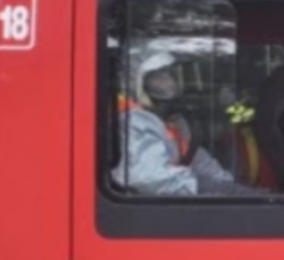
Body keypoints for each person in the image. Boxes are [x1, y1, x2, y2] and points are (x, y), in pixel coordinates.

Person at [112, 50, 264, 197]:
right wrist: (198, 186)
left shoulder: (168, 120)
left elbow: (194, 157)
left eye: (171, 73)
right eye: (159, 76)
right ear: (138, 81)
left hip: (178, 192)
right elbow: (149, 179)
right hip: (153, 207)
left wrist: (225, 185)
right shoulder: (134, 121)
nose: (170, 81)